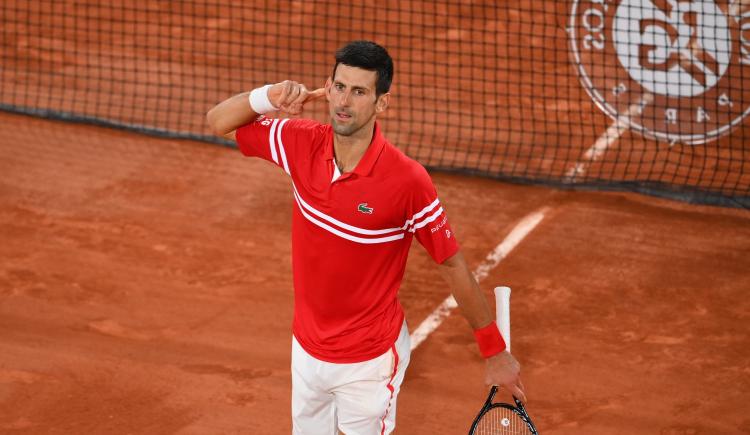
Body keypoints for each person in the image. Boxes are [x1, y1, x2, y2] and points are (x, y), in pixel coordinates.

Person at [206, 40, 526, 435]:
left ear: (381, 103)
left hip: (368, 362)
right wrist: (267, 97)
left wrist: (494, 351)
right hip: (305, 350)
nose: (344, 101)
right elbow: (219, 121)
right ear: (327, 87)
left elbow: (452, 263)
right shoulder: (300, 142)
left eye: (359, 92)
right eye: (339, 87)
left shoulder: (408, 182)